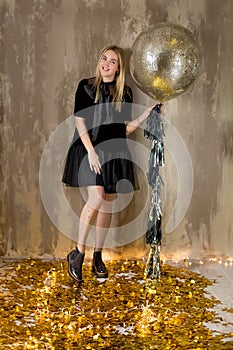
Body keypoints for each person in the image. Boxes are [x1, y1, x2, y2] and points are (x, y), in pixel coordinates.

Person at [63, 45, 155, 282]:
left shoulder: (125, 93)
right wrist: (91, 152)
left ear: (119, 68)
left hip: (115, 150)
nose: (105, 64)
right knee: (96, 198)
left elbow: (124, 129)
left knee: (107, 204)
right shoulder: (86, 86)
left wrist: (147, 114)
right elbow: (80, 122)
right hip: (89, 148)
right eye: (103, 58)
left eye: (112, 61)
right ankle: (78, 253)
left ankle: (97, 256)